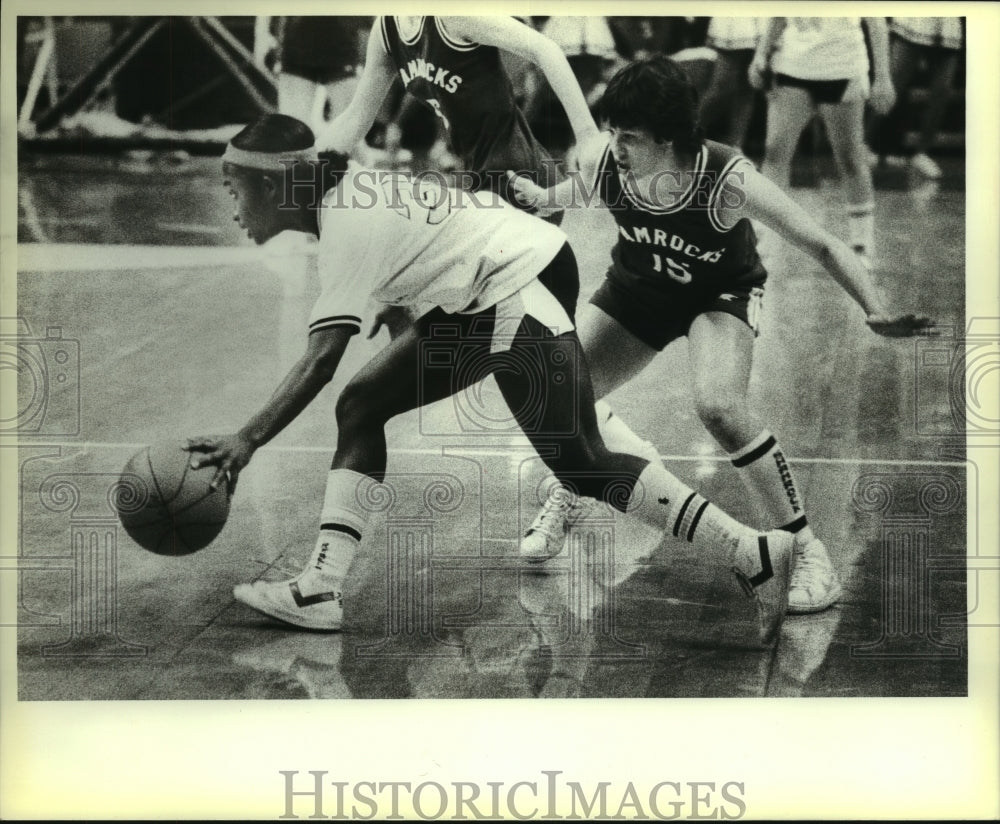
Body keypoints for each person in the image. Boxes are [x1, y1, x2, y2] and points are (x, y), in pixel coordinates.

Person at [184, 113, 800, 640]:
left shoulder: (345, 221)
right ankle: (320, 588)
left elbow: (321, 357)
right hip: (499, 278)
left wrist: (247, 440)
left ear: (274, 184)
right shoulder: (346, 195)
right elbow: (430, 233)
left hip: (515, 279)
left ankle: (751, 551)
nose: (230, 205)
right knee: (364, 404)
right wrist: (404, 306)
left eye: (233, 187)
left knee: (580, 462)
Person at [507, 56, 934, 614]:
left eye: (631, 137)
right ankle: (582, 478)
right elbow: (578, 190)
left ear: (670, 137)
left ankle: (807, 551)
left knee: (719, 406)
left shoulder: (727, 180)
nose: (617, 146)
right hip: (638, 289)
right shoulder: (607, 159)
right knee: (560, 389)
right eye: (613, 132)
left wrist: (874, 310)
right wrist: (541, 199)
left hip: (718, 294)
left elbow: (820, 242)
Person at [315, 15, 601, 212]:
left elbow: (545, 48)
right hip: (474, 174)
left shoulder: (455, 15)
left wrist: (588, 137)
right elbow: (355, 117)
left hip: (518, 174)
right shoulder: (387, 28)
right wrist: (307, 164)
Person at [748, 17, 895, 268]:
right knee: (775, 152)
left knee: (850, 158)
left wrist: (882, 77)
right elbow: (778, 14)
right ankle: (764, 244)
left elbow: (877, 24)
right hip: (792, 66)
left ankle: (861, 246)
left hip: (842, 68)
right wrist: (760, 55)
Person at [867, 17, 964, 179]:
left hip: (948, 23)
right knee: (892, 84)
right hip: (915, 19)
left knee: (941, 92)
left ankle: (921, 153)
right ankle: (863, 145)